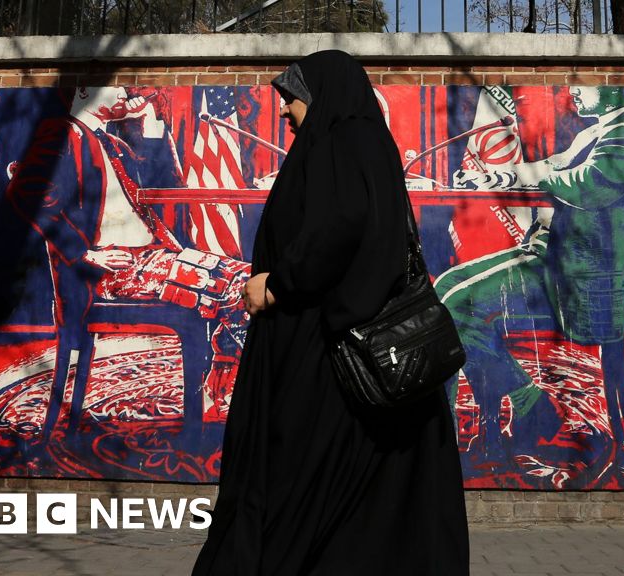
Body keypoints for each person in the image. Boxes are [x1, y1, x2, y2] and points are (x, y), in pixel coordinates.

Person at [192, 50, 470, 575]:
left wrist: (277, 285)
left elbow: (339, 231)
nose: (284, 110)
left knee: (297, 485)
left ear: (322, 95)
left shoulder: (343, 142)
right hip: (357, 355)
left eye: (292, 98)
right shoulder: (364, 142)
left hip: (330, 356)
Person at [442, 86, 624, 481]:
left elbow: (584, 184)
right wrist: (494, 176)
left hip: (580, 278)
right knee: (447, 288)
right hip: (555, 255)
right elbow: (553, 167)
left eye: (585, 85)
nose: (574, 90)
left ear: (614, 87)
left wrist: (531, 177)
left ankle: (513, 410)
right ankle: (506, 421)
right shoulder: (599, 130)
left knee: (456, 306)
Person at [7, 86, 250, 435]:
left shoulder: (110, 142)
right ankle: (222, 394)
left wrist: (149, 122)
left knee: (246, 279)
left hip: (153, 258)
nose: (125, 91)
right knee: (234, 285)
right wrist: (85, 253)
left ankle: (222, 389)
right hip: (110, 273)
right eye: (116, 85)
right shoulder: (61, 133)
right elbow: (24, 192)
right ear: (85, 91)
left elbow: (163, 181)